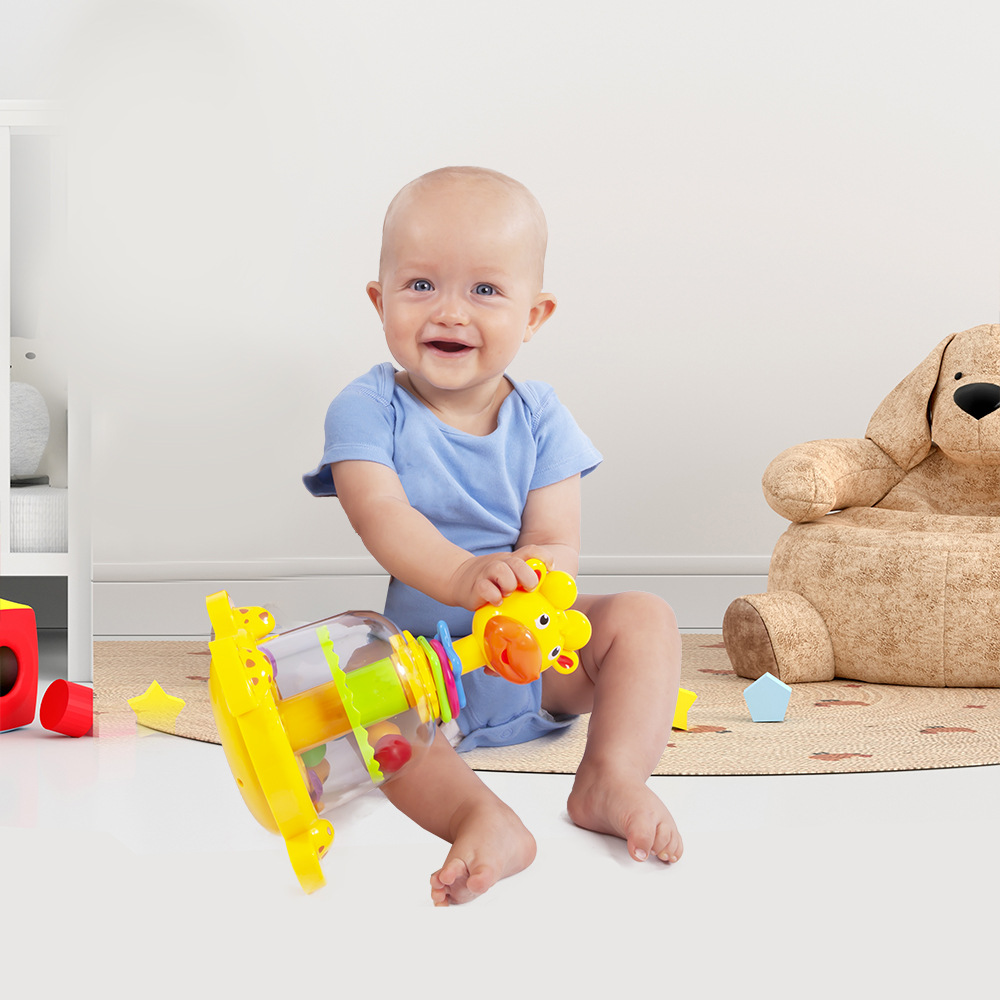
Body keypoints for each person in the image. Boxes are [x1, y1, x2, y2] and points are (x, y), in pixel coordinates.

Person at [304, 166, 683, 905]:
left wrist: (533, 578)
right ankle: (479, 816)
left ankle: (610, 779)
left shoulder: (542, 417)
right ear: (380, 301)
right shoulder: (367, 407)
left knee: (645, 617)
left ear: (534, 315)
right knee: (355, 675)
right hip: (423, 672)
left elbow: (555, 540)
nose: (450, 311)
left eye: (484, 289)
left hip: (531, 663)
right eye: (420, 285)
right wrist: (461, 578)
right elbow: (379, 515)